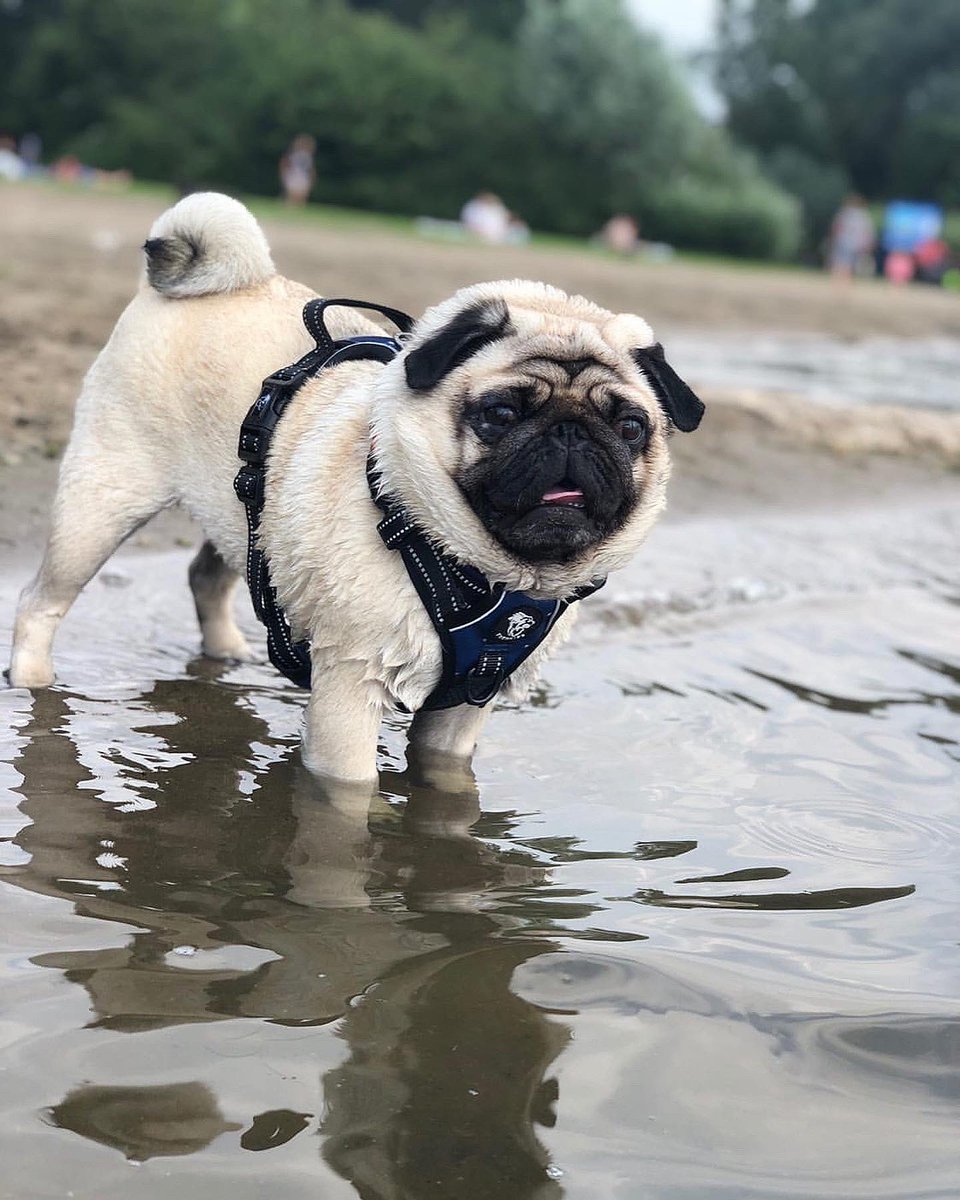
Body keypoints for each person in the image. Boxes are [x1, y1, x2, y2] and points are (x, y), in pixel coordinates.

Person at [827, 195, 875, 280]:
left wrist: (833, 240)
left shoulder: (844, 213)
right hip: (856, 244)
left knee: (840, 263)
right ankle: (846, 282)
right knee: (849, 265)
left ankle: (837, 282)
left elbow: (836, 228)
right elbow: (867, 232)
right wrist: (868, 244)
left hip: (843, 242)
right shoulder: (863, 215)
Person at [279, 134, 316, 205]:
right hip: (293, 176)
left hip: (303, 178)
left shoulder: (308, 157)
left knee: (302, 197)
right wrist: (284, 174)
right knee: (291, 196)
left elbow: (311, 170)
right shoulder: (292, 155)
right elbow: (285, 164)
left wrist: (311, 179)